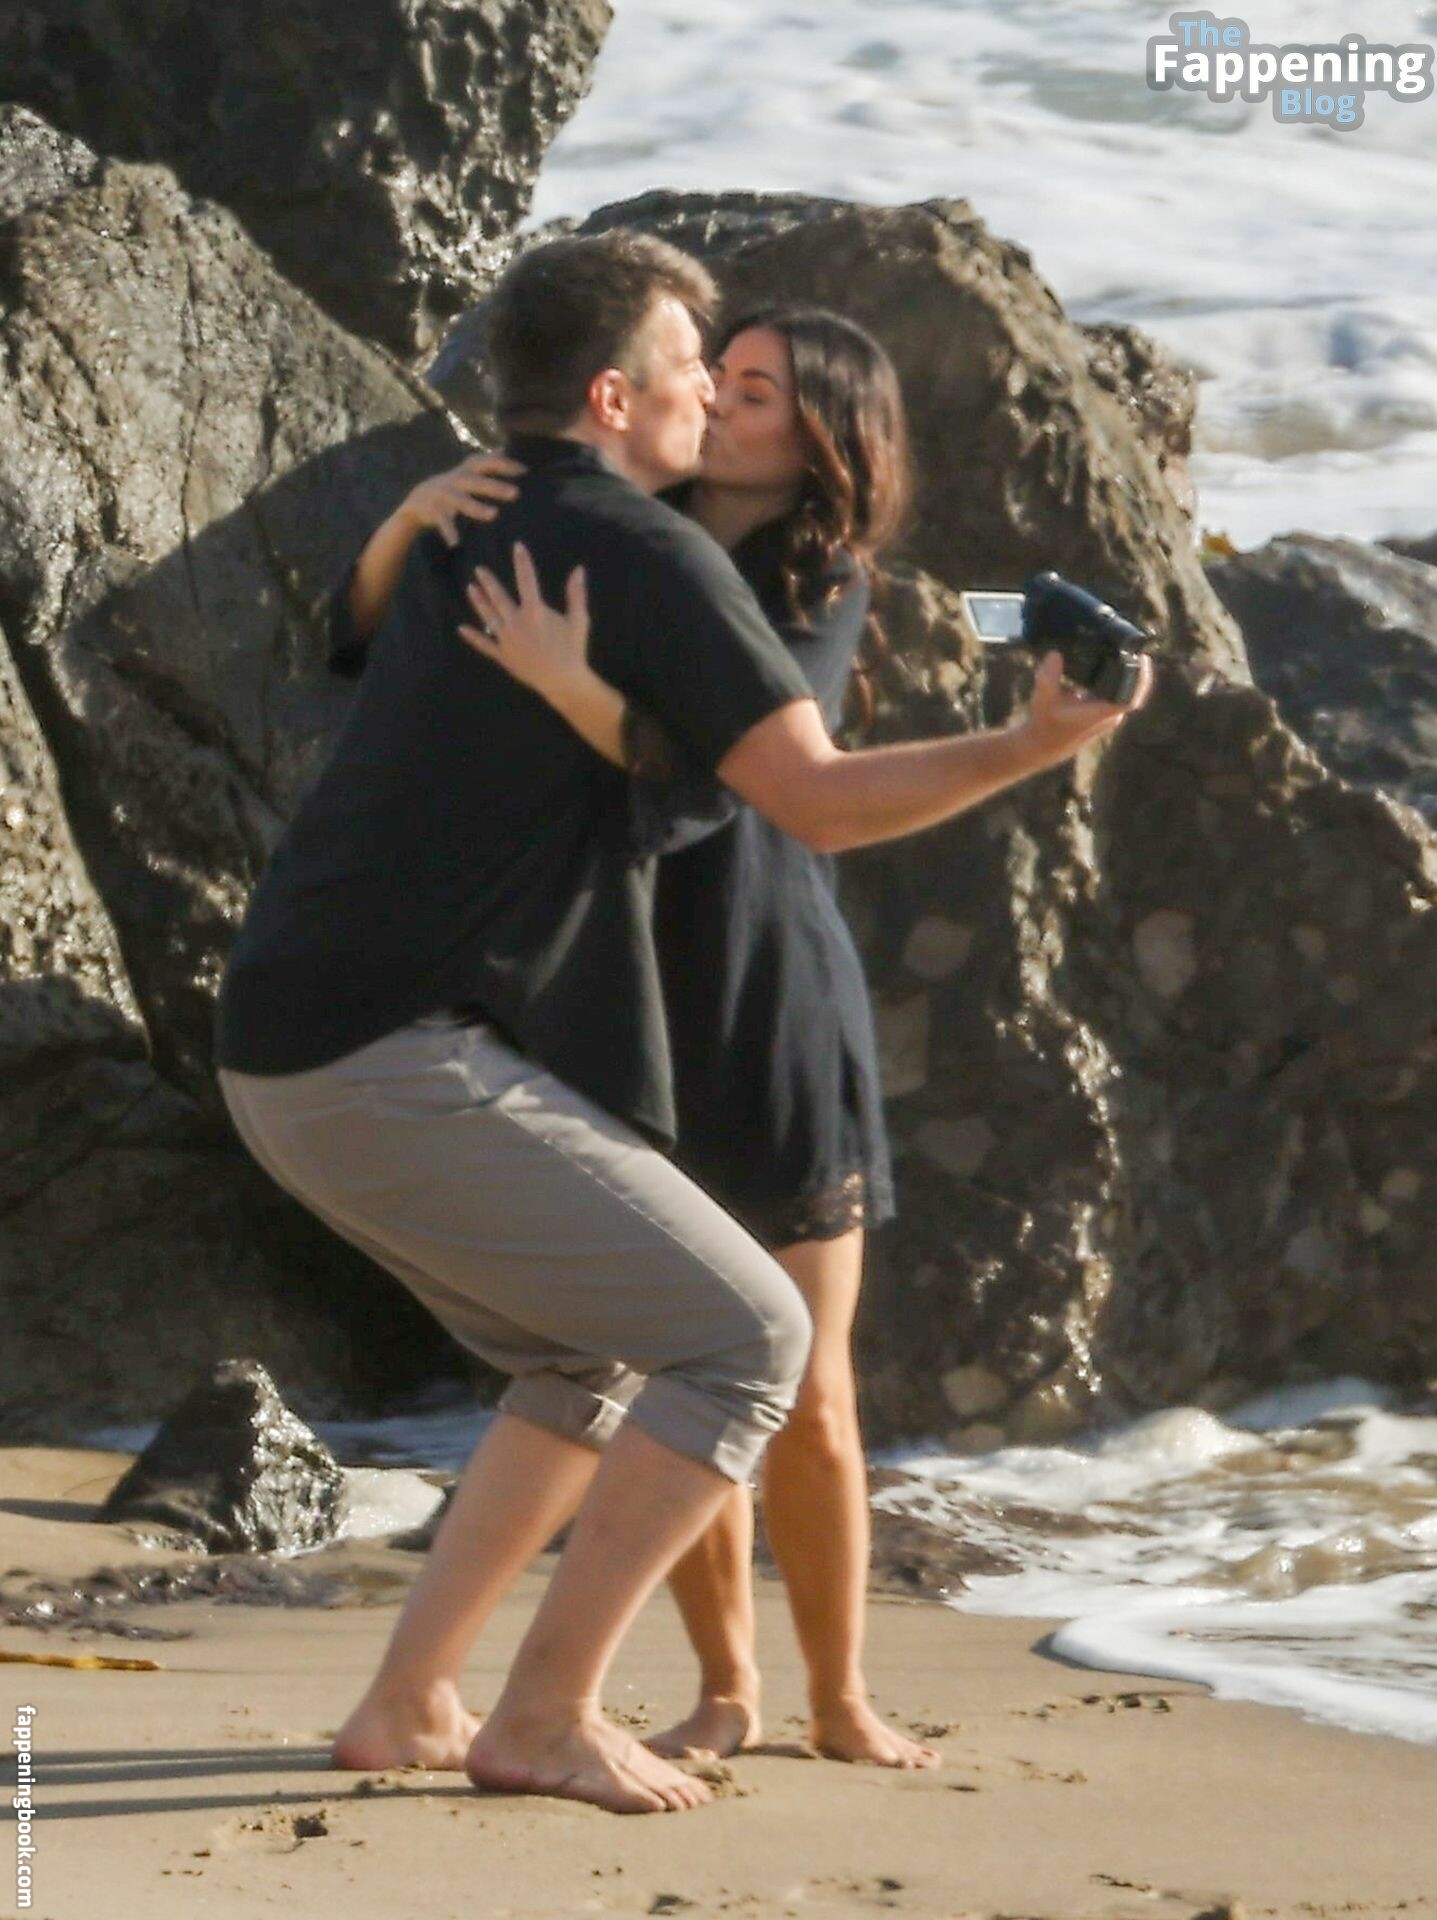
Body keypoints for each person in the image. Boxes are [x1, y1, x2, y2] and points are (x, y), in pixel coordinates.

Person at [214, 229, 1152, 1819]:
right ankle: (546, 1715)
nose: (710, 394)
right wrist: (1028, 745)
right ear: (612, 395)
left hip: (293, 1043)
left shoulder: (485, 511)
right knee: (749, 1339)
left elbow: (383, 645)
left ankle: (412, 1698)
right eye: (690, 370)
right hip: (388, 1053)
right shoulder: (645, 552)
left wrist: (411, 522)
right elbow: (814, 803)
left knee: (586, 1354)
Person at [328, 305, 941, 1771]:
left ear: (823, 434)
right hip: (619, 980)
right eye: (716, 377)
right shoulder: (626, 529)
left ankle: (840, 1697)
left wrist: (572, 687)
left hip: (762, 981)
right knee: (686, 1348)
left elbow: (722, 785)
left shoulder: (815, 578)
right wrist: (408, 515)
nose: (719, 402)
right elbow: (361, 642)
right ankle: (726, 1688)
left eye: (757, 392)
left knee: (807, 1382)